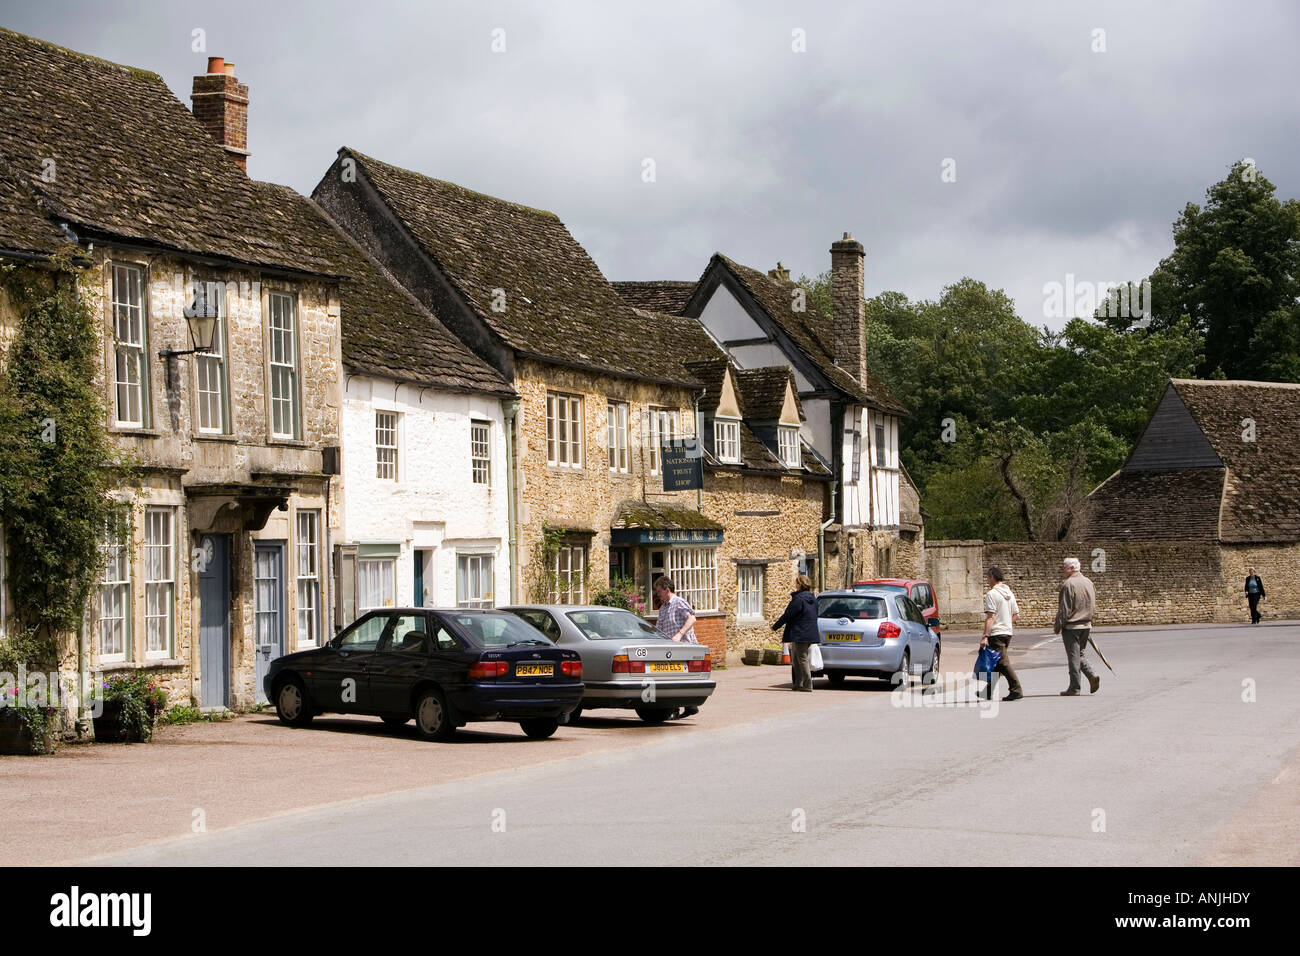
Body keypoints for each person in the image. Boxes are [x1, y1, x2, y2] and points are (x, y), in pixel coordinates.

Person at [652, 576, 699, 719]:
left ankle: (678, 708)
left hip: (684, 646)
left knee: (676, 678)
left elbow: (692, 618)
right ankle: (688, 706)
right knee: (672, 678)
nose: (657, 594)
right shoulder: (663, 608)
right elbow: (659, 628)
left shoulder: (678, 602)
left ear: (667, 590)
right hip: (670, 649)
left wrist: (679, 634)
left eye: (659, 591)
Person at [1054, 557, 1099, 696]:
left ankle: (1075, 687)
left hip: (1072, 626)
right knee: (1079, 654)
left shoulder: (1068, 584)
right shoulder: (1088, 582)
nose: (1063, 570)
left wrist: (1058, 625)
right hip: (1086, 623)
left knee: (1073, 656)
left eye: (1065, 567)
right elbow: (1093, 603)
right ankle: (1091, 676)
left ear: (1073, 568)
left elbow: (1064, 609)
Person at [981, 567, 1023, 702]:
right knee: (997, 663)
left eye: (988, 578)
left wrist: (985, 636)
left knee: (1002, 662)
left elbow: (990, 617)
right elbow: (1016, 615)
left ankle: (1016, 690)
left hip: (996, 633)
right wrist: (1007, 624)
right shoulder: (1009, 593)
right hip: (1007, 632)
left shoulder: (991, 594)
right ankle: (987, 692)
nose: (987, 580)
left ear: (992, 577)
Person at [771, 574, 819, 692]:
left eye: (796, 583)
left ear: (799, 585)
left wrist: (776, 626)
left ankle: (807, 685)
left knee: (802, 659)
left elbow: (788, 614)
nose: (795, 585)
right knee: (796, 659)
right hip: (809, 632)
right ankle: (798, 683)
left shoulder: (799, 599)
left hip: (800, 632)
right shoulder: (813, 599)